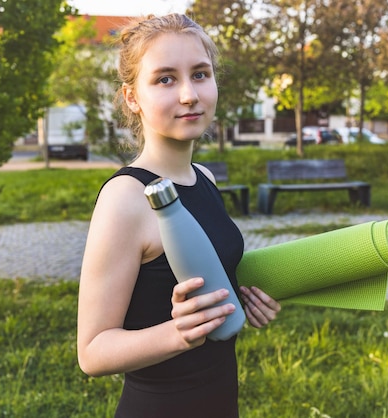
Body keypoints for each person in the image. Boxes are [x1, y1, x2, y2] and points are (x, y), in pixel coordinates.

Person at [76, 13, 281, 418]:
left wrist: (238, 301)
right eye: (165, 79)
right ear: (132, 96)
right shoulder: (126, 197)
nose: (189, 94)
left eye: (201, 74)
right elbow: (92, 352)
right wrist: (178, 334)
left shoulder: (203, 178)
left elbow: (200, 278)